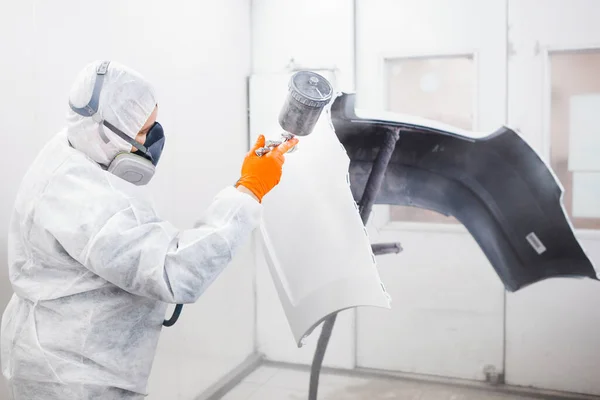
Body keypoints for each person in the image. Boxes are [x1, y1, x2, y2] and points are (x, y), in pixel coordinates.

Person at [0, 60, 298, 400]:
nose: (149, 143)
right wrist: (250, 191)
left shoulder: (71, 149)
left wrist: (242, 188)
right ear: (105, 133)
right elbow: (174, 271)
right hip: (74, 379)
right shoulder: (87, 201)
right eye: (142, 133)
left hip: (65, 357)